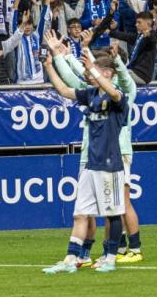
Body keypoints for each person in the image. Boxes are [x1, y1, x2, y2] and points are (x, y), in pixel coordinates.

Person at [41, 38, 129, 274]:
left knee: (112, 213)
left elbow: (112, 92)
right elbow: (64, 90)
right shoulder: (90, 94)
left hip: (110, 164)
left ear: (108, 73)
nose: (91, 74)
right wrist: (49, 65)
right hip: (91, 164)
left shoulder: (117, 95)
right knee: (81, 213)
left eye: (96, 70)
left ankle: (110, 256)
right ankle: (70, 259)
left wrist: (90, 66)